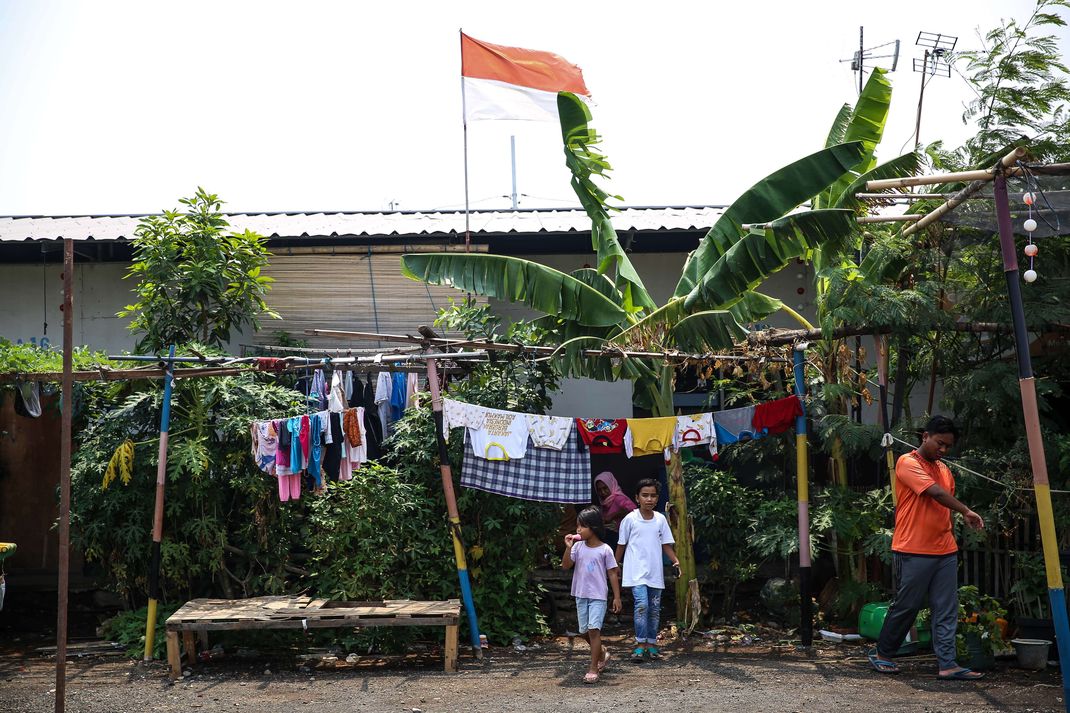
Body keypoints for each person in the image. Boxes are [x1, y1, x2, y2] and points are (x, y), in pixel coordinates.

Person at [869, 415, 986, 680]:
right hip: (913, 548)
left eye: (948, 446)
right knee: (907, 605)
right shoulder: (907, 462)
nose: (943, 450)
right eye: (939, 443)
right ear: (925, 437)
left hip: (945, 550)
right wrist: (966, 510)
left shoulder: (944, 469)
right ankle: (883, 654)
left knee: (946, 608)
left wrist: (956, 525)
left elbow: (943, 505)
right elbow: (935, 494)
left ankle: (947, 664)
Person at [615, 478, 680, 663]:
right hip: (635, 572)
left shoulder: (660, 519)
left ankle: (652, 644)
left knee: (654, 609)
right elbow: (621, 544)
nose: (649, 499)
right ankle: (640, 644)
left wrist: (676, 562)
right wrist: (614, 566)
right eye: (645, 495)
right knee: (642, 605)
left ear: (657, 498)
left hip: (655, 572)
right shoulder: (630, 519)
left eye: (653, 496)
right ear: (637, 498)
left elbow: (666, 545)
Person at [563, 506, 622, 683]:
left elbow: (612, 572)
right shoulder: (578, 547)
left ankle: (593, 668)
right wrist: (568, 548)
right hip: (581, 594)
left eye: (582, 526)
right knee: (583, 631)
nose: (578, 530)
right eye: (577, 526)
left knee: (594, 630)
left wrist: (617, 597)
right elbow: (566, 566)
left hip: (598, 596)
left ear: (594, 527)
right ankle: (603, 652)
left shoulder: (605, 550)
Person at [594, 471, 637, 548]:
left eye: (605, 488)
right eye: (599, 490)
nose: (603, 492)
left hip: (625, 539)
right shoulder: (604, 503)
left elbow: (634, 511)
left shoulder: (619, 498)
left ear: (611, 485)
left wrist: (612, 516)